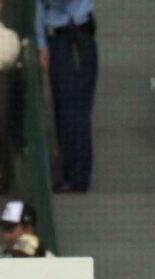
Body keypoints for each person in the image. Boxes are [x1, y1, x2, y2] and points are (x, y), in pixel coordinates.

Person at [37, 0, 99, 195]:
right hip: (57, 37)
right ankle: (69, 174)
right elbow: (38, 8)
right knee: (63, 111)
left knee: (76, 110)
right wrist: (42, 44)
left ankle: (78, 176)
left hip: (76, 34)